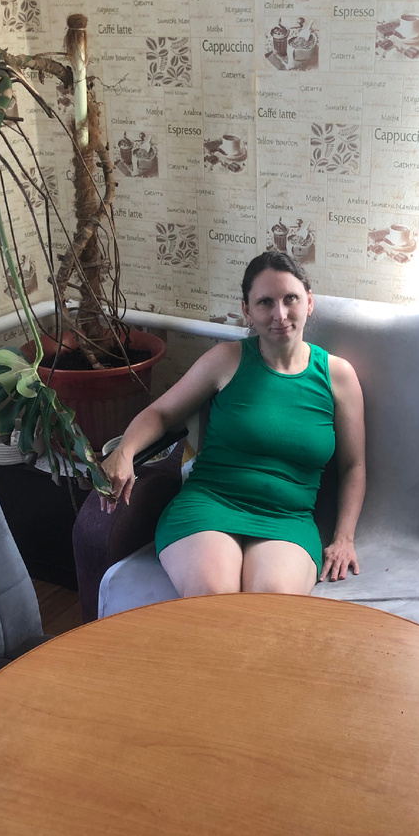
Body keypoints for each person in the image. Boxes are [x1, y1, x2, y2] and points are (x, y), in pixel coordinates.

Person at [101, 251, 365, 596]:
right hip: (209, 505)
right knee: (216, 598)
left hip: (287, 519)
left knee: (270, 603)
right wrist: (125, 451)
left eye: (291, 299)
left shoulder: (338, 376)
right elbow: (161, 414)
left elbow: (354, 465)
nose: (280, 314)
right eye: (265, 302)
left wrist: (344, 538)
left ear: (309, 302)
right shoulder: (226, 359)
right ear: (247, 311)